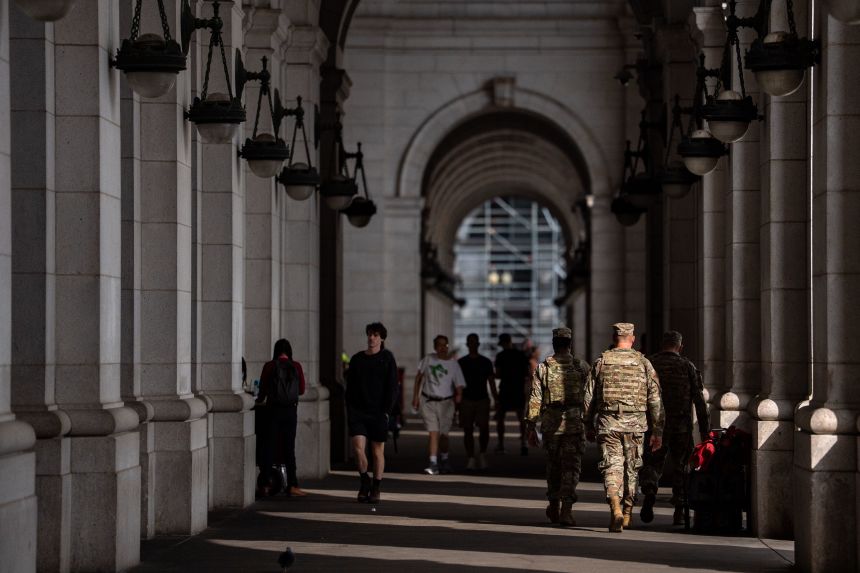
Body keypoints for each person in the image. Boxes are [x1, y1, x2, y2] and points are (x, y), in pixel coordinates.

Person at [584, 322, 664, 533]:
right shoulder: (643, 363)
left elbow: (588, 397)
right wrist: (657, 430)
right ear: (633, 338)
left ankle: (615, 507)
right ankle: (627, 510)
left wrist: (587, 424)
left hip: (608, 423)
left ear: (614, 337)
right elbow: (655, 399)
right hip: (636, 424)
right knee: (632, 468)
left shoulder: (601, 362)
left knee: (611, 466)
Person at [639, 330, 709, 525]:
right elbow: (699, 401)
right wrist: (706, 431)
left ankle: (650, 492)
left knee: (652, 463)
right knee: (681, 466)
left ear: (662, 345)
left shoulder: (650, 364)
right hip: (681, 426)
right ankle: (679, 508)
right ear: (680, 347)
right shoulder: (687, 366)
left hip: (655, 426)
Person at [526, 326, 590, 526]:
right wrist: (590, 422)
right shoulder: (582, 367)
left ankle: (553, 503)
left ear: (554, 344)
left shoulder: (543, 368)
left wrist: (530, 427)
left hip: (551, 425)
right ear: (570, 344)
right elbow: (589, 398)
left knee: (553, 466)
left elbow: (535, 399)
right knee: (571, 467)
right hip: (574, 424)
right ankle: (566, 510)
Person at [345, 322, 398, 504]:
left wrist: (387, 412)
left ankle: (376, 487)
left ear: (382, 338)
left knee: (377, 452)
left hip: (378, 412)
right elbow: (349, 387)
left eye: (375, 335)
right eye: (369, 334)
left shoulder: (387, 358)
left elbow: (392, 387)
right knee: (358, 449)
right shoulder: (357, 359)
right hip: (358, 412)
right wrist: (350, 409)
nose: (371, 338)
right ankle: (364, 480)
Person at [257, 339, 307, 497]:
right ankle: (292, 485)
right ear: (289, 351)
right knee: (289, 448)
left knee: (269, 447)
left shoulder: (270, 366)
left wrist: (259, 400)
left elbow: (263, 390)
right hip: (290, 412)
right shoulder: (296, 366)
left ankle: (265, 485)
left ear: (276, 351)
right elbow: (301, 390)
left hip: (273, 411)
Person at [413, 334, 465, 475]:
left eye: (445, 345)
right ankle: (433, 463)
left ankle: (445, 459)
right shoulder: (428, 359)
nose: (443, 348)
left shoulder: (454, 364)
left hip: (446, 403)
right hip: (428, 401)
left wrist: (459, 396)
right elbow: (418, 377)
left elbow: (459, 384)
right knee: (433, 433)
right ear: (435, 347)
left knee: (444, 435)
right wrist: (415, 398)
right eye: (440, 345)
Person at [458, 333, 498, 470]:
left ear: (478, 344)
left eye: (475, 342)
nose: (473, 345)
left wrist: (496, 399)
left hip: (482, 399)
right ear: (467, 345)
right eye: (470, 342)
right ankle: (470, 457)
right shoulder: (461, 362)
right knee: (467, 429)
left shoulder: (485, 362)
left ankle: (482, 453)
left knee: (484, 428)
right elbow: (457, 384)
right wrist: (457, 401)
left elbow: (491, 382)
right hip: (466, 400)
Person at [494, 333, 531, 455]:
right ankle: (524, 443)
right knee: (521, 418)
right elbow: (528, 374)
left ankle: (501, 444)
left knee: (500, 418)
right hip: (518, 389)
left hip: (505, 389)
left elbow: (498, 374)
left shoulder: (500, 356)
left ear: (502, 343)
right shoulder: (521, 355)